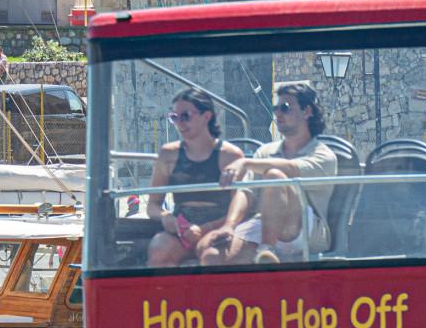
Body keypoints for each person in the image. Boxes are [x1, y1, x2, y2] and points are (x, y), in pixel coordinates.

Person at [199, 82, 337, 264]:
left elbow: (291, 168)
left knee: (274, 176)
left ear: (307, 111)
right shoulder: (265, 153)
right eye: (275, 108)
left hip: (304, 230)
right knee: (212, 257)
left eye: (285, 107)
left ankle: (266, 250)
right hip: (265, 222)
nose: (278, 113)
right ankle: (261, 257)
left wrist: (246, 162)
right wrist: (229, 226)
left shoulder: (324, 156)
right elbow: (247, 193)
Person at [144, 90, 246, 268]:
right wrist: (166, 218)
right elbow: (153, 205)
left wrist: (207, 228)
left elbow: (242, 205)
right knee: (159, 249)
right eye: (174, 117)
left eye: (185, 116)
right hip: (180, 227)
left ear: (206, 116)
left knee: (211, 255)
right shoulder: (168, 154)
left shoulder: (230, 155)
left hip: (218, 224)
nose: (180, 123)